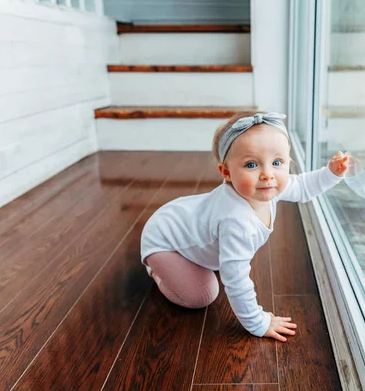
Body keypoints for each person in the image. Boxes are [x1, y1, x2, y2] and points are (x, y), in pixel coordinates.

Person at [140, 111, 349, 342]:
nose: (268, 174)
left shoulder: (266, 188)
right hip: (163, 241)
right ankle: (157, 270)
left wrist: (331, 173)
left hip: (183, 223)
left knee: (221, 261)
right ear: (226, 173)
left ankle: (189, 261)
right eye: (251, 164)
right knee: (204, 295)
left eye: (277, 162)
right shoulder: (235, 221)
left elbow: (302, 186)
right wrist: (258, 322)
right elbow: (236, 281)